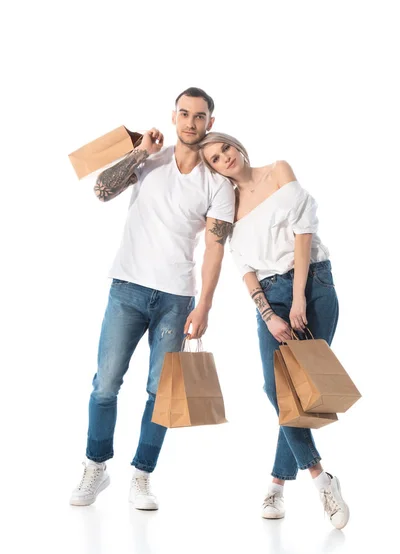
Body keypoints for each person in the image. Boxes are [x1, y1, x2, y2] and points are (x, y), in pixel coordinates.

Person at [70, 89, 235, 510]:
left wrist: (205, 305)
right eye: (184, 113)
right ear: (174, 115)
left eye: (199, 116)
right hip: (126, 288)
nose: (191, 122)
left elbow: (215, 249)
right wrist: (140, 152)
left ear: (209, 123)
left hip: (176, 300)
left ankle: (142, 476)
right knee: (105, 384)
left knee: (158, 394)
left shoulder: (218, 184)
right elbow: (102, 192)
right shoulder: (150, 160)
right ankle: (95, 466)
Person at [199, 132, 349, 530]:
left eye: (225, 148)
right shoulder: (226, 205)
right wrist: (268, 314)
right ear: (212, 168)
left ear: (236, 145)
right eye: (214, 158)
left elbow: (304, 234)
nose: (224, 158)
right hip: (269, 296)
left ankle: (277, 484)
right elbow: (244, 267)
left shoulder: (278, 170)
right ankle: (321, 480)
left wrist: (298, 297)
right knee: (278, 389)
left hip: (313, 284)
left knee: (300, 389)